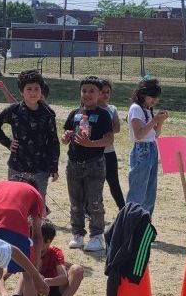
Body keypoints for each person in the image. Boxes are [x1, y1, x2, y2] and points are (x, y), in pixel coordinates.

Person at [0, 70, 59, 204]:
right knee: (15, 201)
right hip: (17, 165)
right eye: (29, 89)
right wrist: (7, 142)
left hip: (40, 167)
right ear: (22, 92)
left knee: (37, 203)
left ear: (41, 91)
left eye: (36, 89)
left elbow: (53, 141)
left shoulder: (48, 113)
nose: (33, 93)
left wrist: (53, 167)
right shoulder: (14, 110)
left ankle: (37, 225)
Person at [62, 75, 114, 252]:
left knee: (94, 201)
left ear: (99, 93)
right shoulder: (74, 114)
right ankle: (77, 234)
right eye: (84, 91)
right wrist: (66, 137)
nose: (87, 94)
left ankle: (97, 236)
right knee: (75, 201)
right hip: (74, 162)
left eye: (92, 91)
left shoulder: (103, 114)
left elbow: (109, 139)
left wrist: (91, 144)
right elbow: (65, 136)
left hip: (95, 163)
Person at [7, 220, 84, 296]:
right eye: (31, 239)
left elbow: (63, 278)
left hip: (49, 292)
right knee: (27, 271)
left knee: (77, 269)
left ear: (48, 241)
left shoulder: (55, 252)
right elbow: (2, 275)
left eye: (36, 240)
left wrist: (45, 281)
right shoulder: (26, 250)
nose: (32, 243)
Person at [126, 77, 168, 217]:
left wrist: (159, 122)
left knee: (150, 192)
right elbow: (139, 135)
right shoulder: (136, 109)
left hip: (151, 148)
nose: (155, 101)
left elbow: (154, 135)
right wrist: (155, 120)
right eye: (152, 97)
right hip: (141, 150)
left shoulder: (147, 109)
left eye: (156, 98)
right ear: (143, 94)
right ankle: (130, 225)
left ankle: (144, 225)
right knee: (138, 192)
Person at [98, 78, 125, 210]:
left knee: (114, 182)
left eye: (108, 92)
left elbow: (117, 128)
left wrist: (105, 132)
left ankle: (123, 209)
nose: (105, 95)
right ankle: (96, 209)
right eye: (103, 92)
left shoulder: (112, 109)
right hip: (95, 153)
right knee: (97, 183)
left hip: (109, 152)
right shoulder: (92, 109)